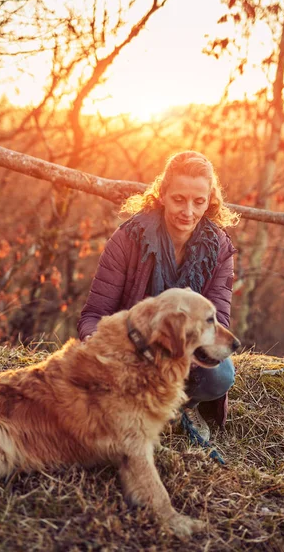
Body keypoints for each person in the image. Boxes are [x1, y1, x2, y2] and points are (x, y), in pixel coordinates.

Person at [77, 150, 240, 441]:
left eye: (198, 201)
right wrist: (102, 347)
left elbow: (218, 320)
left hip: (185, 355)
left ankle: (185, 406)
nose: (188, 211)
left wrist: (181, 354)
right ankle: (138, 406)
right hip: (133, 352)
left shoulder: (220, 248)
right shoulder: (128, 239)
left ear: (210, 201)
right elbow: (93, 315)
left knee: (221, 375)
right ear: (162, 194)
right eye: (179, 199)